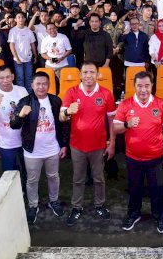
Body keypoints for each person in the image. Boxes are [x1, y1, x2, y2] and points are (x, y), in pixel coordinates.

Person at [114, 71, 163, 233]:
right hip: (133, 158)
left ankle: (160, 217)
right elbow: (115, 127)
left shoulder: (160, 104)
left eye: (147, 86)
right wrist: (127, 124)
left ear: (152, 86)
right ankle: (133, 215)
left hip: (155, 157)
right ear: (134, 87)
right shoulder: (125, 105)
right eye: (139, 86)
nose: (143, 90)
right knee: (134, 189)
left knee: (157, 190)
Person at [60, 61, 116, 226]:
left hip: (99, 145)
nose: (89, 76)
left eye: (92, 72)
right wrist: (67, 113)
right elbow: (62, 116)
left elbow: (112, 121)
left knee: (99, 179)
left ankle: (100, 205)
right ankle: (77, 207)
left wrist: (111, 143)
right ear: (80, 75)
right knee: (78, 178)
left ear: (98, 75)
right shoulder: (71, 92)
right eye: (85, 72)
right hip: (77, 145)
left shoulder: (106, 94)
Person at [10, 71, 69, 224]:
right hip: (32, 150)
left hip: (52, 149)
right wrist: (20, 115)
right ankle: (33, 205)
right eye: (38, 84)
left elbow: (63, 125)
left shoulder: (55, 101)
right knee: (32, 180)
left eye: (44, 84)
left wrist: (63, 145)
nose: (41, 87)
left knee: (53, 176)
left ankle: (53, 201)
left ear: (49, 85)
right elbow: (14, 125)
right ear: (32, 85)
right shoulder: (24, 101)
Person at [0, 65, 29, 172]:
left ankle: (26, 189)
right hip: (6, 143)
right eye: (2, 78)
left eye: (8, 77)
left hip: (25, 140)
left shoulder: (22, 90)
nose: (5, 80)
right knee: (9, 174)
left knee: (27, 171)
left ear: (13, 77)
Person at [9, 12, 37, 95]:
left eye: (22, 17)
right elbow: (12, 45)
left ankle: (30, 95)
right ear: (15, 19)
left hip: (28, 59)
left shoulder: (28, 30)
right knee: (20, 78)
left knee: (29, 78)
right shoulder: (13, 31)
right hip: (18, 59)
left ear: (25, 19)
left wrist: (35, 55)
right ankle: (21, 96)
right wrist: (17, 58)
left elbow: (32, 44)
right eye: (18, 17)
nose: (21, 19)